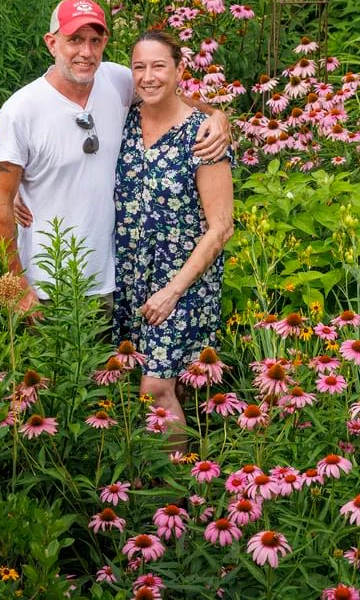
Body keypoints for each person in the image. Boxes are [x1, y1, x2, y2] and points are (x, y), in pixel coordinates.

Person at [0, 0, 229, 315]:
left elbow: (167, 93)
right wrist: (19, 286)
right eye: (75, 40)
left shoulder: (115, 81)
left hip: (108, 286)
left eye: (95, 40)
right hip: (45, 286)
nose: (86, 52)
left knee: (105, 366)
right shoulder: (22, 110)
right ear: (52, 43)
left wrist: (217, 114)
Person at [112, 29, 234, 434]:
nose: (148, 76)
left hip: (184, 280)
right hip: (133, 276)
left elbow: (221, 228)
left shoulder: (203, 136)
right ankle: (166, 471)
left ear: (180, 70)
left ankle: (176, 493)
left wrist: (174, 289)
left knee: (155, 386)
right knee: (156, 380)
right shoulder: (124, 122)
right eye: (139, 66)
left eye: (159, 66)